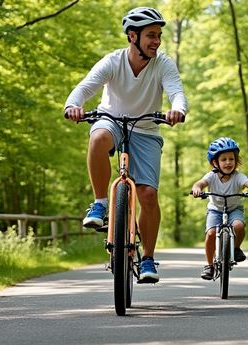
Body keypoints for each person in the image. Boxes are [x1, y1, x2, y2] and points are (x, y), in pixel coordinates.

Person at [64, 7, 188, 284]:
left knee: (147, 195)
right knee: (97, 137)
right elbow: (85, 87)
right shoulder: (113, 61)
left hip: (145, 128)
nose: (157, 41)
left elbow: (177, 92)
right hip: (111, 120)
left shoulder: (163, 64)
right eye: (151, 35)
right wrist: (74, 105)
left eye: (159, 35)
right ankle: (99, 205)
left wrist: (176, 110)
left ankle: (147, 259)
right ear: (133, 36)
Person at [191, 137, 248, 280]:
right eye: (224, 159)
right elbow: (200, 183)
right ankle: (209, 265)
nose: (228, 162)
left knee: (239, 226)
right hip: (215, 209)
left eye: (231, 159)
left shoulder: (238, 176)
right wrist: (197, 188)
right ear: (215, 162)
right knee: (211, 234)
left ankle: (235, 248)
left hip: (234, 209)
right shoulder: (212, 176)